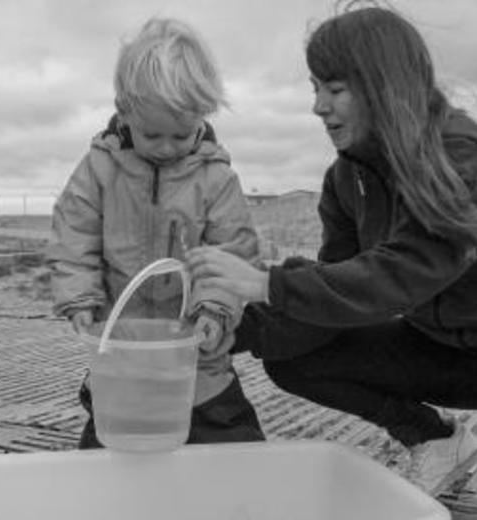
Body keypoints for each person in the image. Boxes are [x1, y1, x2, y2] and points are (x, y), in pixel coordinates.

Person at [185, 3, 477, 495]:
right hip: (445, 352)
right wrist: (228, 329)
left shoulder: (460, 154)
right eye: (315, 89)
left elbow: (407, 269)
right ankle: (436, 438)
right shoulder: (346, 178)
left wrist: (264, 282)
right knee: (294, 357)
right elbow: (337, 296)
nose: (319, 106)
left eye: (335, 89)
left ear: (383, 85)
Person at [47, 17, 265, 448]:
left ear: (203, 116)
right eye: (152, 134)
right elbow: (73, 234)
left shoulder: (215, 178)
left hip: (198, 358)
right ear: (124, 110)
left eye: (181, 135)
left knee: (235, 454)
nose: (167, 147)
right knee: (108, 461)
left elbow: (233, 252)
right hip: (120, 355)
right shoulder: (100, 168)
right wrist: (79, 297)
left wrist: (215, 311)